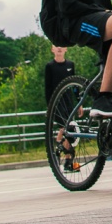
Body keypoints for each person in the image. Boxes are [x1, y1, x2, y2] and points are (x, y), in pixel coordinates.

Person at [44, 44, 78, 172]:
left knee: (70, 130)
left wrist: (78, 102)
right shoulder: (50, 66)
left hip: (68, 101)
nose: (59, 48)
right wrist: (49, 106)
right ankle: (60, 149)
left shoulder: (70, 65)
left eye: (61, 46)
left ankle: (66, 158)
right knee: (64, 128)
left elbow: (75, 84)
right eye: (56, 46)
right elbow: (48, 88)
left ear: (66, 49)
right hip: (57, 103)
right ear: (52, 49)